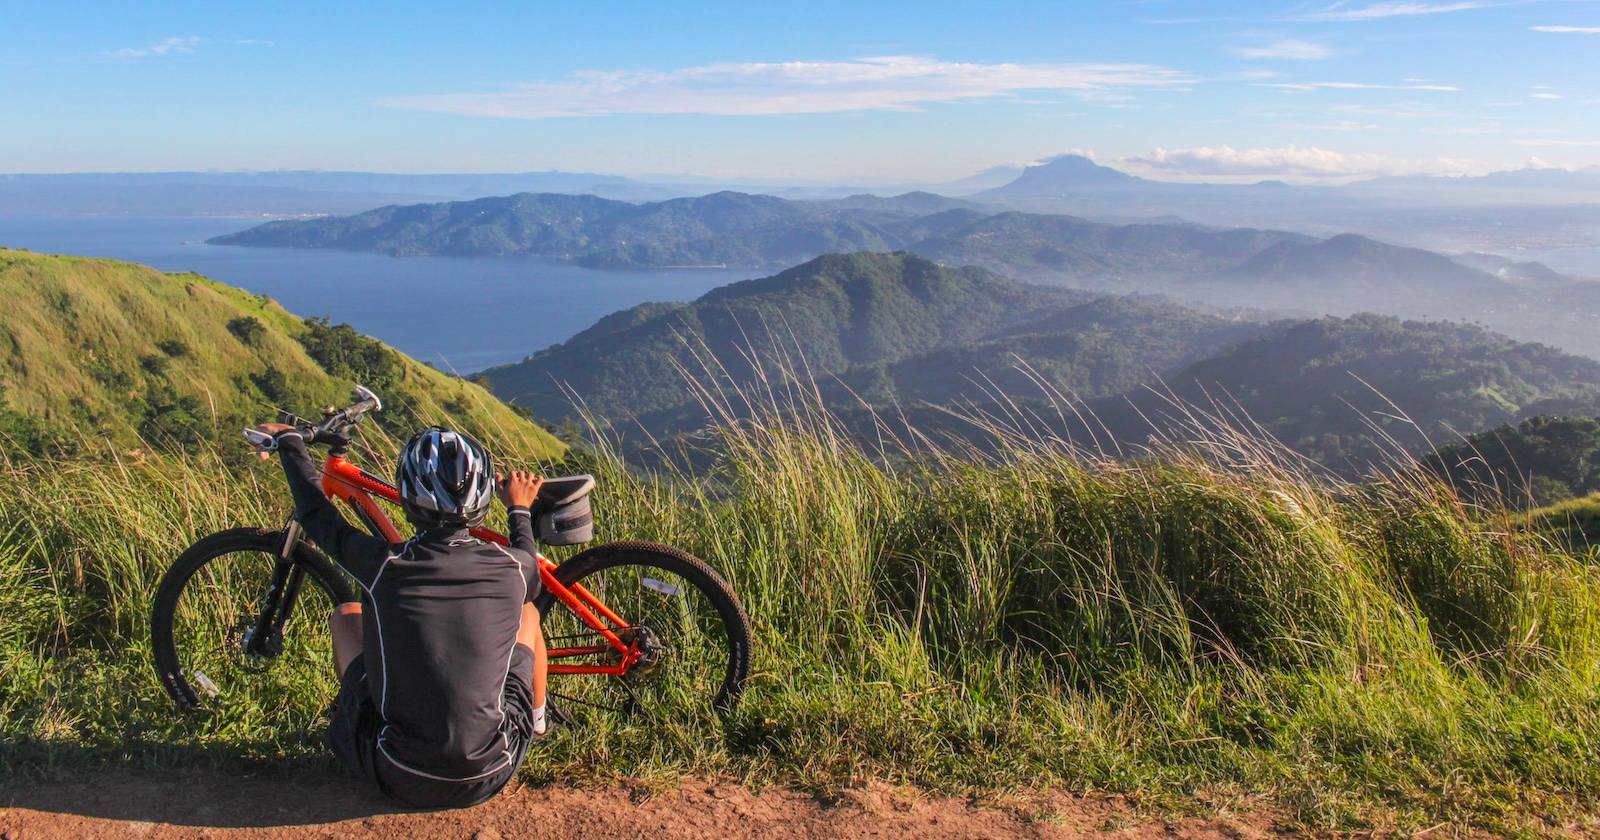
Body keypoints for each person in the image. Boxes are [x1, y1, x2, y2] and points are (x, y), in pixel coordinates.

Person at [253, 421, 552, 808]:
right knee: (527, 614)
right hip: (491, 771)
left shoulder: (382, 564)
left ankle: (355, 719)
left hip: (399, 773)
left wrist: (291, 441)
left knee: (346, 615)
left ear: (408, 499)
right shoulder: (514, 567)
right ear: (482, 500)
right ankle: (538, 719)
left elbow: (314, 511)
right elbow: (528, 558)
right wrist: (519, 509)